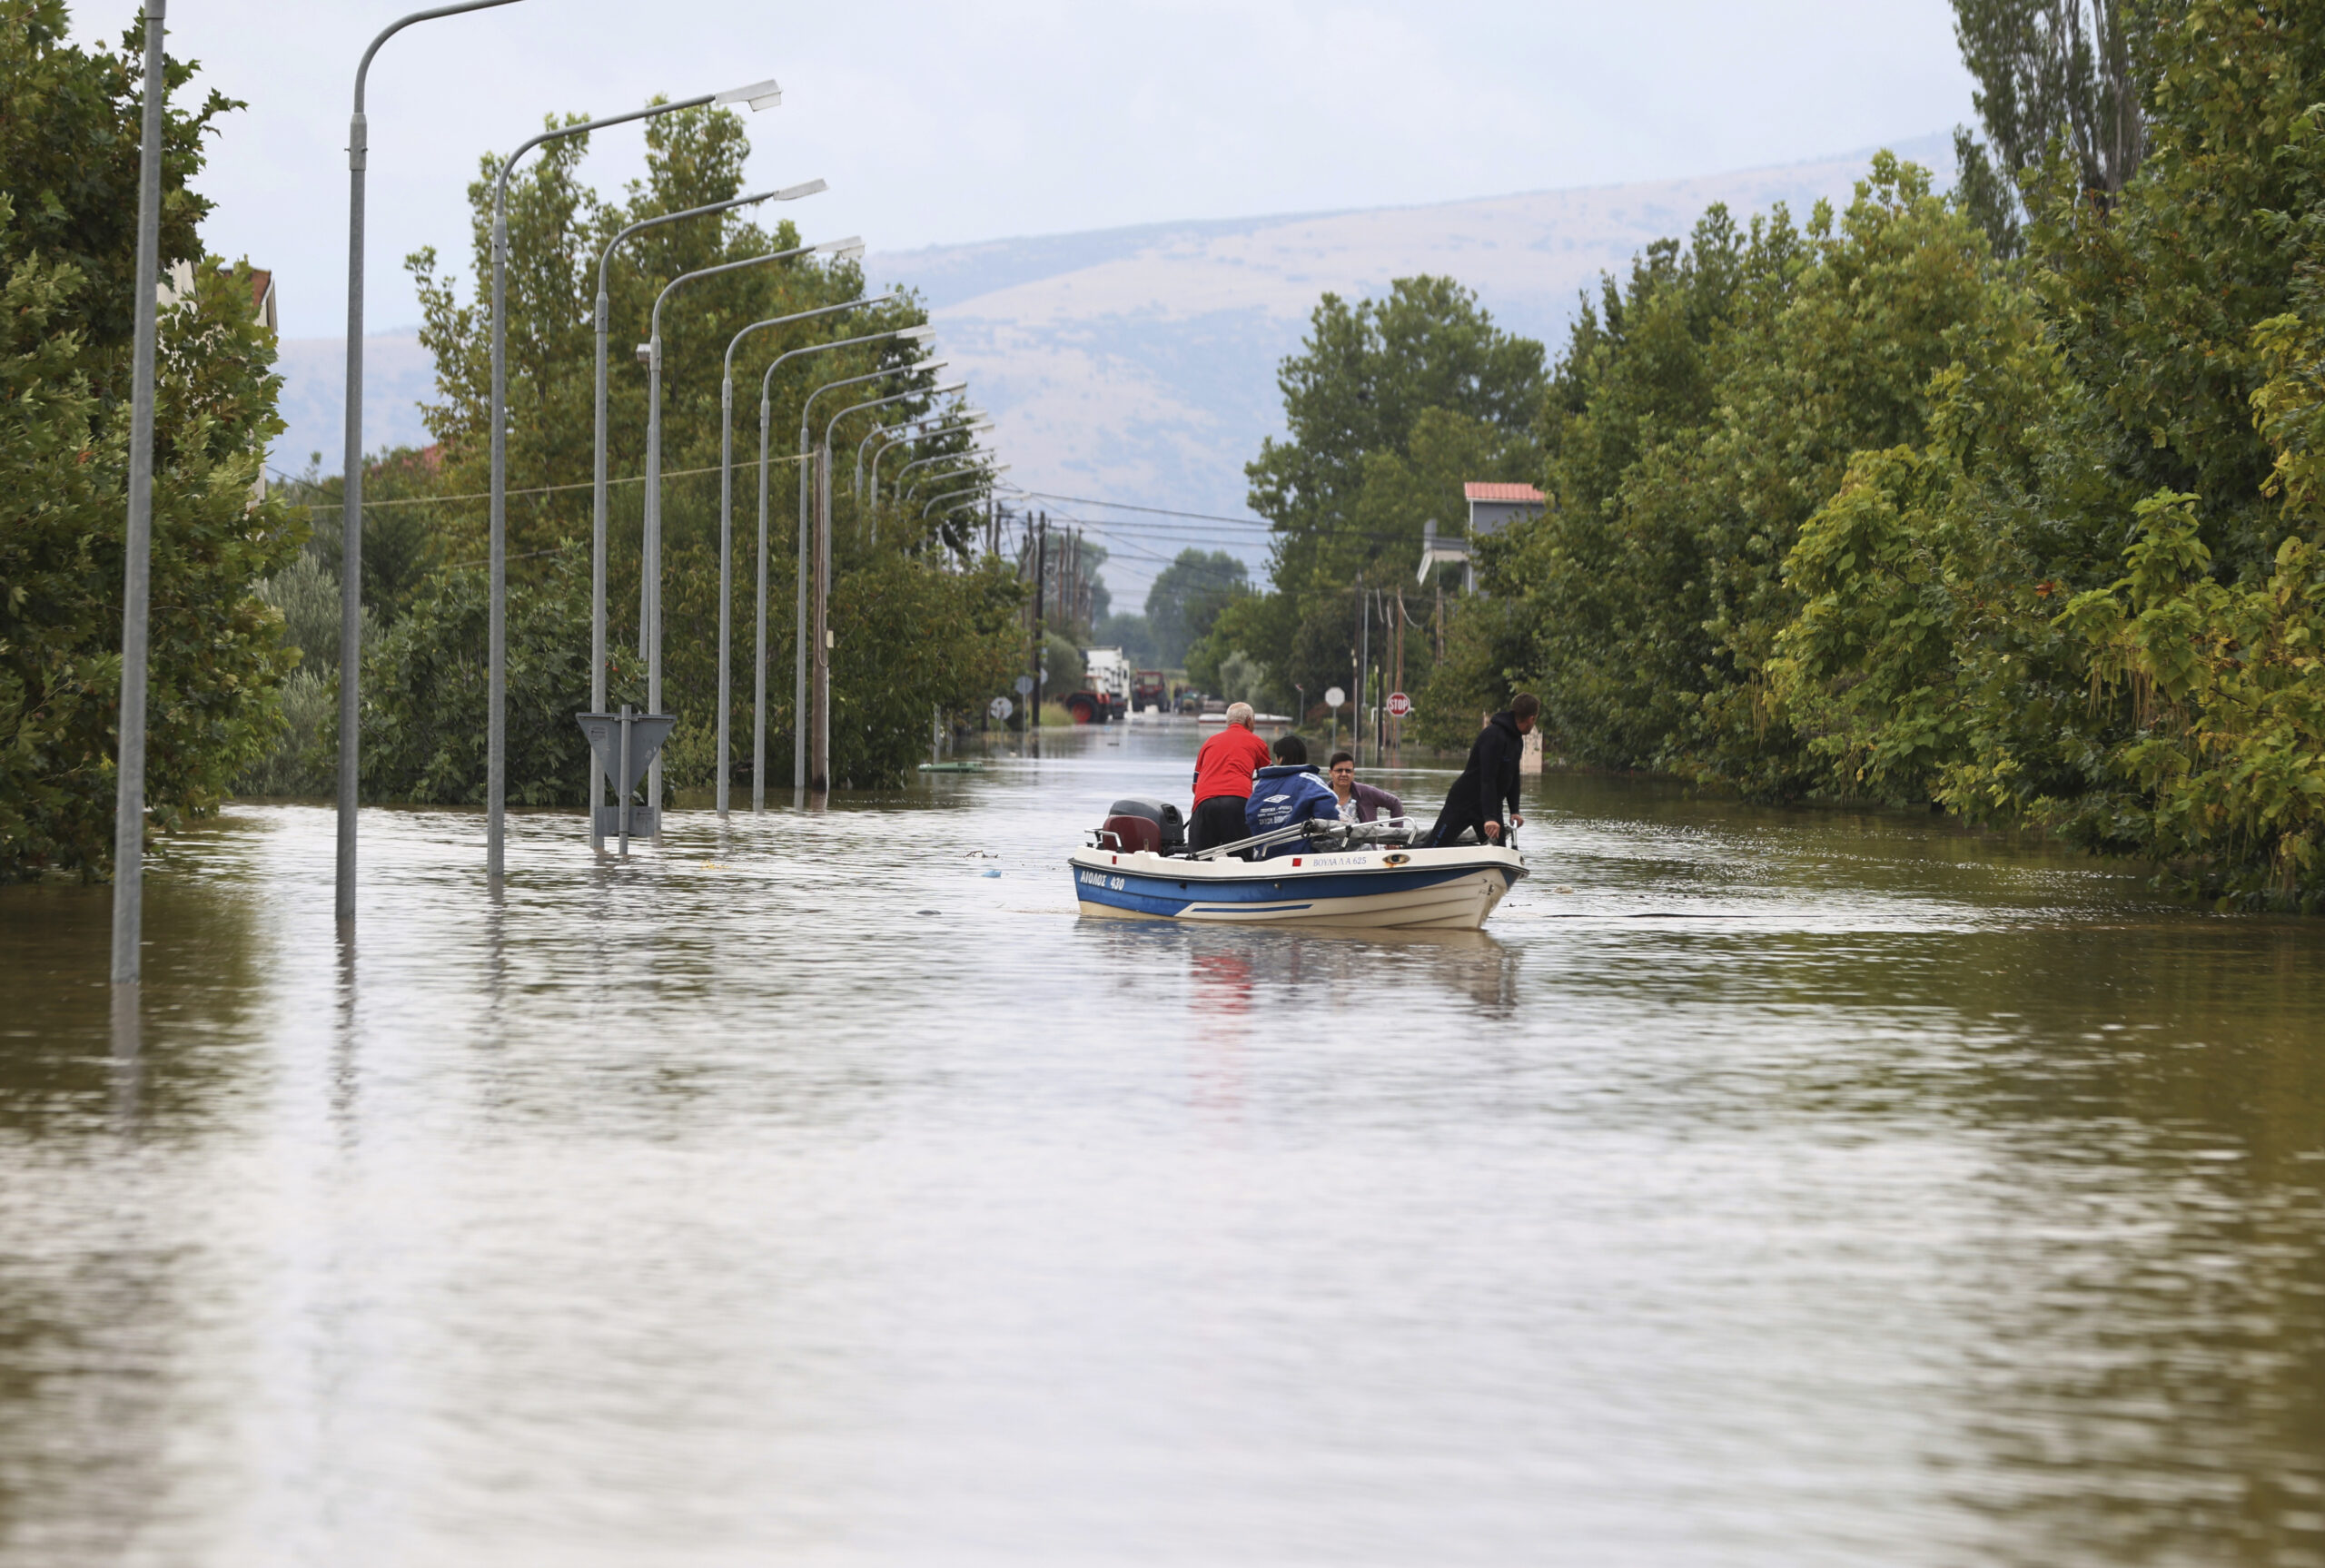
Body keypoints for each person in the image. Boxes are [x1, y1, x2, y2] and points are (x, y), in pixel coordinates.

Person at [1424, 693, 1537, 847]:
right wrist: (1490, 818)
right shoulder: (1493, 736)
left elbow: (1513, 776)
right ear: (1532, 718)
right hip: (1463, 802)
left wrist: (1514, 811)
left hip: (1491, 804)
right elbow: (1488, 778)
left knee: (1499, 853)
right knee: (1434, 848)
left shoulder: (1517, 742)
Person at [1187, 701, 1273, 853]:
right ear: (1249, 721)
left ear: (1228, 722)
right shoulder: (1258, 743)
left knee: (1198, 858)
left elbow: (1195, 785)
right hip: (1237, 802)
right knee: (1240, 857)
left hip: (1204, 802)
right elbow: (1270, 782)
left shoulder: (1209, 743)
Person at [1244, 735, 1340, 857]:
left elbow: (1250, 815)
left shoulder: (1260, 785)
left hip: (1266, 857)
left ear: (1280, 759)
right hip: (1302, 856)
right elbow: (1327, 810)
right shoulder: (1309, 780)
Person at [1326, 750, 1402, 823]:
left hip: (1365, 835)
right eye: (1339, 770)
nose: (1344, 774)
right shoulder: (1320, 794)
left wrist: (1396, 833)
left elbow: (1395, 803)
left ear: (1353, 773)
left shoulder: (1367, 792)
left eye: (1348, 771)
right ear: (1330, 773)